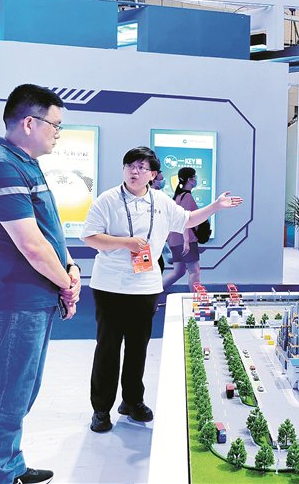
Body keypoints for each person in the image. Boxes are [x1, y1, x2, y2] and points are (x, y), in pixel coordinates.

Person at [81, 147, 242, 433]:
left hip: (146, 286)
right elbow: (90, 237)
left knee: (138, 348)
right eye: (130, 165)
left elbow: (187, 220)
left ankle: (132, 401)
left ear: (153, 174)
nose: (134, 171)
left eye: (142, 167)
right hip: (110, 287)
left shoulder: (162, 202)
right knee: (108, 348)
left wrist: (216, 206)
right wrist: (126, 243)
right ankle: (101, 410)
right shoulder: (107, 200)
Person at [0, 84, 81, 484]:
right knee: (7, 392)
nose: (58, 133)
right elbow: (31, 245)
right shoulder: (0, 166)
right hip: (17, 298)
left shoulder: (24, 164)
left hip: (35, 298)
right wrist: (66, 285)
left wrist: (70, 267)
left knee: (21, 389)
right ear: (30, 122)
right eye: (55, 124)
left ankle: (8, 463)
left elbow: (50, 232)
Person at [162, 167, 201, 292]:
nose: (196, 179)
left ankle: (154, 292)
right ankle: (196, 299)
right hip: (184, 240)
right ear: (190, 179)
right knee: (194, 271)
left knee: (178, 271)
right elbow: (185, 220)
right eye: (194, 177)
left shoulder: (178, 196)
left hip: (174, 240)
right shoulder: (187, 197)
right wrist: (187, 241)